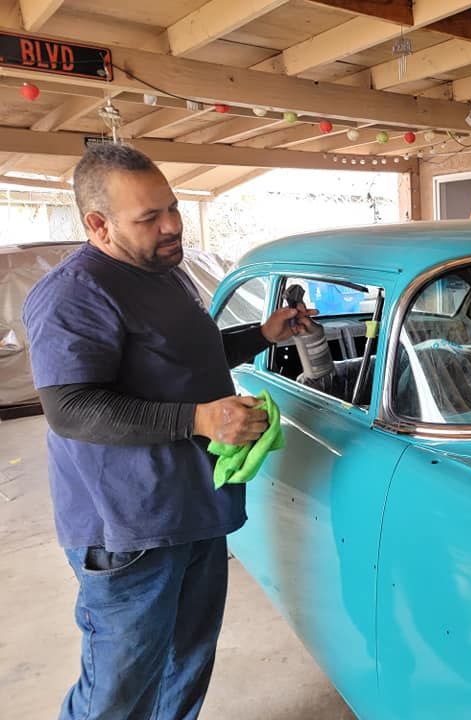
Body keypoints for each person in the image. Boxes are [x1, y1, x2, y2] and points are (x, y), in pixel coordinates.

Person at [22, 143, 313, 719]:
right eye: (149, 217)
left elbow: (179, 358)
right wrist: (200, 418)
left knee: (187, 661)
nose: (172, 225)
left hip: (193, 510)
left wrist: (262, 333)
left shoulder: (164, 274)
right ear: (98, 224)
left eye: (172, 207)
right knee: (119, 685)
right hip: (129, 529)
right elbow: (71, 407)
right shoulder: (76, 293)